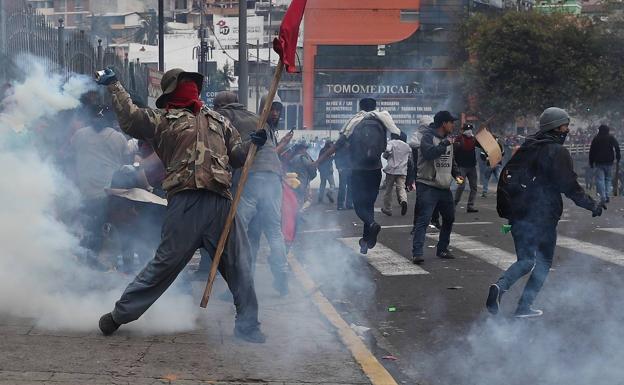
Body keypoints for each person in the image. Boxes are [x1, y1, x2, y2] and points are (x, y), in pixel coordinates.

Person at [95, 68, 268, 343]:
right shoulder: (162, 120)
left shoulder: (219, 120)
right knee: (164, 265)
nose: (191, 86)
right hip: (185, 202)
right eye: (185, 83)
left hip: (221, 203)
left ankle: (247, 325)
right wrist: (115, 85)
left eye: (192, 83)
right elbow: (130, 119)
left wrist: (252, 144)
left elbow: (236, 156)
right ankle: (119, 315)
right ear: (173, 89)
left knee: (240, 264)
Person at [487, 107, 605, 318]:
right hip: (542, 215)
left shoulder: (528, 146)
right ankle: (523, 307)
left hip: (518, 213)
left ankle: (500, 287)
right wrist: (592, 205)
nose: (567, 130)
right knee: (543, 262)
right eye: (564, 126)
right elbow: (569, 186)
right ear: (555, 127)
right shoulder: (557, 152)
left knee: (525, 260)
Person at [213, 91, 292, 296]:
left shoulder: (225, 117)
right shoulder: (259, 120)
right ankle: (281, 274)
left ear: (222, 105)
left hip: (253, 177)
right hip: (272, 178)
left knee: (238, 230)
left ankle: (239, 284)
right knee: (271, 231)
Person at [316, 97, 401, 254]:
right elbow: (392, 142)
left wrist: (319, 160)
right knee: (368, 205)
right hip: (375, 170)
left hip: (358, 170)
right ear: (375, 107)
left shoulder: (354, 123)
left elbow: (337, 145)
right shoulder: (383, 123)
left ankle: (372, 224)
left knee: (359, 206)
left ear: (360, 108)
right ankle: (365, 242)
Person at [70, 95, 131, 268]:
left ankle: (90, 262)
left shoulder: (79, 135)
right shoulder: (118, 138)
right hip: (110, 191)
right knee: (118, 227)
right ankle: (124, 264)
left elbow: (71, 153)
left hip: (86, 191)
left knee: (92, 228)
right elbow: (126, 161)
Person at [411, 111, 463, 264]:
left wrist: (457, 174)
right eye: (451, 122)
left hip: (444, 186)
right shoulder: (427, 137)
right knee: (424, 220)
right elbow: (428, 154)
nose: (453, 125)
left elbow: (451, 160)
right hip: (428, 185)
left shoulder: (448, 139)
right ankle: (417, 253)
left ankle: (442, 249)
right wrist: (443, 144)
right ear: (443, 124)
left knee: (449, 217)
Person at [589, 124, 621, 204]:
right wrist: (618, 156)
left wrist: (591, 162)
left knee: (600, 180)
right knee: (608, 179)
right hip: (609, 161)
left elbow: (592, 151)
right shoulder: (611, 138)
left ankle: (602, 196)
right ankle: (607, 195)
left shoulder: (596, 139)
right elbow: (617, 147)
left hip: (599, 162)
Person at [381, 131, 411, 216]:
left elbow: (387, 151)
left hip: (391, 170)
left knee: (388, 190)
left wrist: (386, 155)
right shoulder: (406, 146)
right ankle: (403, 201)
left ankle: (388, 209)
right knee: (401, 187)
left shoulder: (391, 143)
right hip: (402, 170)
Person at [453, 123, 479, 213]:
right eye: (467, 129)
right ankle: (454, 204)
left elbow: (482, 145)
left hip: (472, 167)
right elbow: (453, 152)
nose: (469, 131)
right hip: (461, 168)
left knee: (474, 187)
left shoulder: (474, 139)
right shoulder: (458, 139)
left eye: (470, 129)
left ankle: (470, 206)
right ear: (463, 130)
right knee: (461, 185)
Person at [334, 144, 353, 210]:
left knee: (350, 187)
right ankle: (340, 205)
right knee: (342, 187)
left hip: (350, 169)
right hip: (343, 170)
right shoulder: (340, 149)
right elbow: (336, 158)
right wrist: (339, 168)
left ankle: (349, 204)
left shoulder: (352, 148)